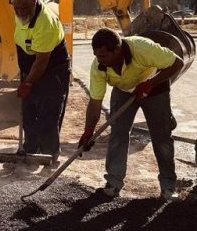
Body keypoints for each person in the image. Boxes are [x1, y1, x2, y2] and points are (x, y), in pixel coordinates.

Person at [78, 28, 184, 201]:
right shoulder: (98, 67)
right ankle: (113, 182)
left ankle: (168, 186)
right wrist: (88, 132)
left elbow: (177, 63)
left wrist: (150, 84)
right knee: (118, 133)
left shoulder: (142, 48)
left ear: (117, 49)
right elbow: (95, 103)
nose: (99, 60)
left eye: (104, 56)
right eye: (96, 55)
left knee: (161, 136)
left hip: (154, 88)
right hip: (124, 90)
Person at [12, 0, 70, 168]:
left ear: (35, 1)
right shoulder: (20, 14)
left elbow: (42, 61)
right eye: (17, 7)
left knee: (47, 115)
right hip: (31, 67)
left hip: (52, 69)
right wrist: (25, 76)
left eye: (25, 7)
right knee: (28, 111)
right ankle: (30, 150)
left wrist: (28, 82)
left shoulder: (45, 21)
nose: (21, 12)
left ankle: (50, 156)